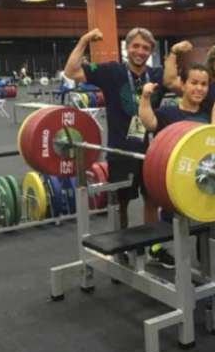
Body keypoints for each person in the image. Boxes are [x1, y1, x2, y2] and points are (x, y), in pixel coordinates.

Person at [63, 27, 175, 229]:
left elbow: (183, 84)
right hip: (121, 151)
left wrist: (175, 54)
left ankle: (152, 248)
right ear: (127, 47)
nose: (140, 51)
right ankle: (122, 248)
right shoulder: (111, 72)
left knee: (153, 201)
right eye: (136, 46)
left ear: (151, 51)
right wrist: (85, 40)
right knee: (121, 204)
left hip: (153, 152)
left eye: (146, 48)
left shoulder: (157, 75)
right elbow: (71, 71)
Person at [138, 63, 215, 132]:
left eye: (204, 84)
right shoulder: (166, 113)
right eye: (194, 83)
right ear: (182, 85)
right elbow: (149, 124)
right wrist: (145, 97)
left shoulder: (211, 113)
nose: (199, 88)